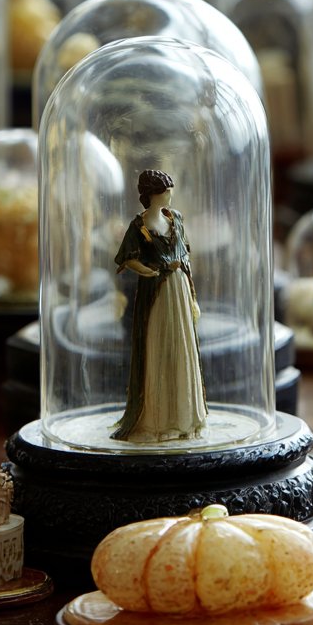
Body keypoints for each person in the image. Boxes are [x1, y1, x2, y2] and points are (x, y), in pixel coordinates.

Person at [111, 169, 208, 442]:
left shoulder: (175, 219)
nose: (169, 194)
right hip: (157, 291)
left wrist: (192, 295)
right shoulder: (139, 226)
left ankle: (186, 419)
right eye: (165, 190)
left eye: (169, 190)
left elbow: (185, 255)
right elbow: (127, 259)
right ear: (152, 194)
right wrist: (147, 271)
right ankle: (158, 421)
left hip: (179, 287)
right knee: (159, 347)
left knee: (182, 347)